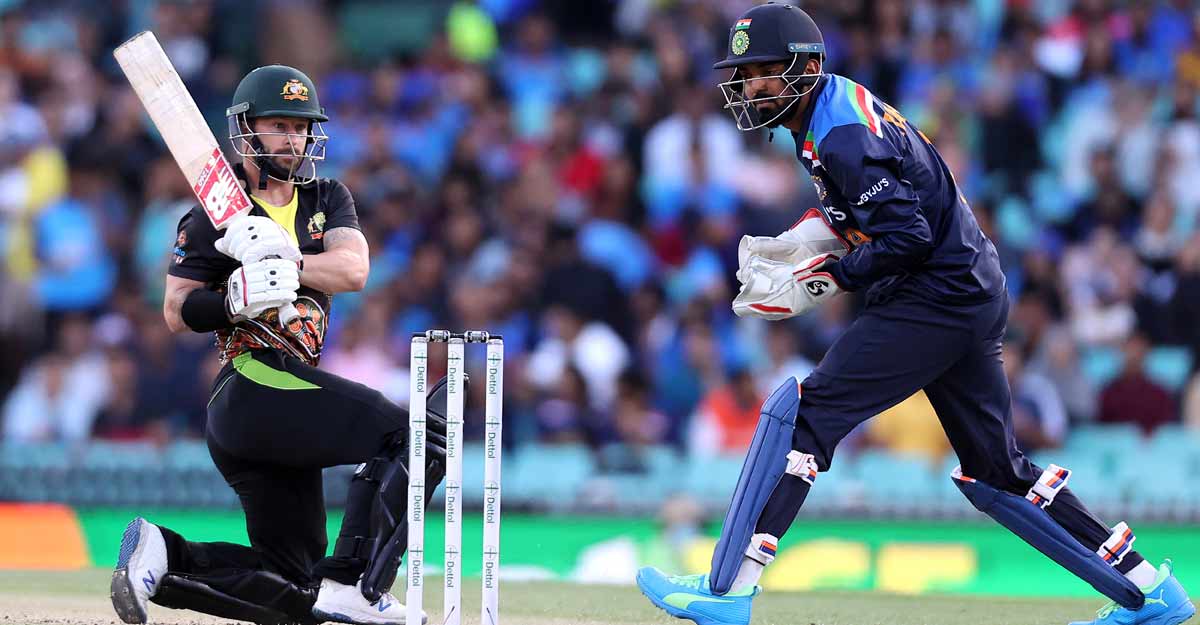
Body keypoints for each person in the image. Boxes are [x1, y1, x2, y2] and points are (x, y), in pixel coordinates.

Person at [635, 5, 1194, 625]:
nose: (752, 86)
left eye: (766, 71)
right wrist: (803, 238)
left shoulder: (842, 133)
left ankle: (729, 588)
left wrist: (823, 277)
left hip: (936, 295)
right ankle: (1149, 591)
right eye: (746, 73)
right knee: (999, 473)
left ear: (808, 66)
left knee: (806, 417)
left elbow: (908, 236)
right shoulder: (828, 110)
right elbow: (873, 213)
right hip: (967, 290)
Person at [109, 65, 449, 625]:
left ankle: (162, 556)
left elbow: (353, 267)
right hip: (252, 383)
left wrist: (286, 259)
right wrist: (234, 299)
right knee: (411, 436)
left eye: (300, 127)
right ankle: (358, 585)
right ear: (247, 129)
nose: (292, 139)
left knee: (296, 587)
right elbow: (176, 310)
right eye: (278, 125)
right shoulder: (214, 217)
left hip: (286, 396)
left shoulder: (326, 197)